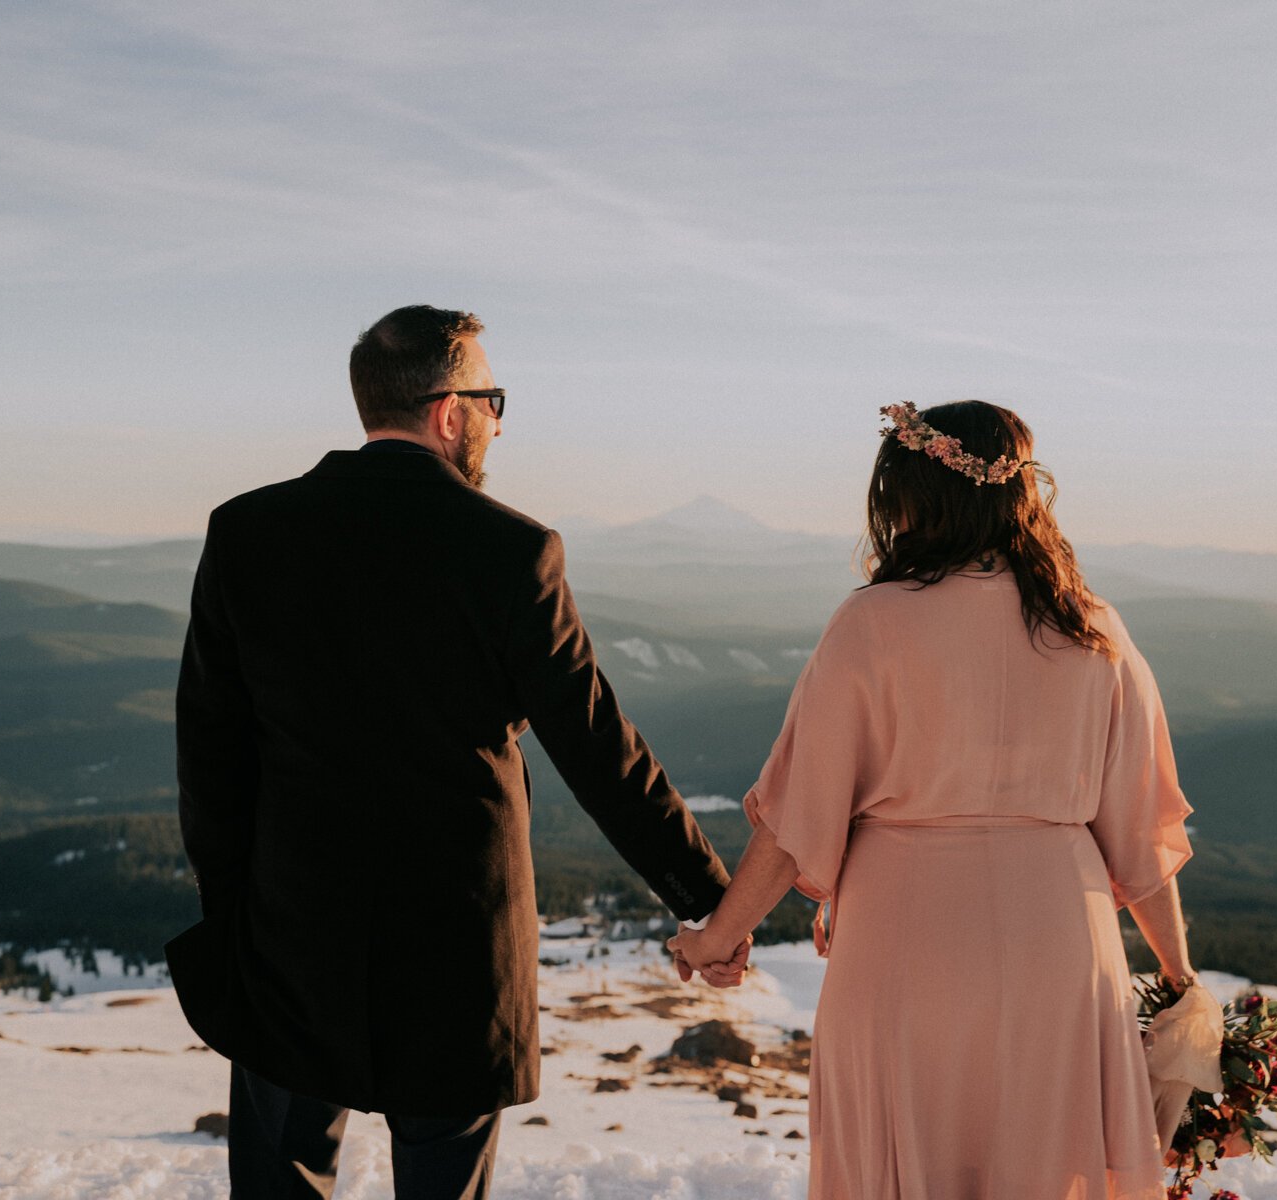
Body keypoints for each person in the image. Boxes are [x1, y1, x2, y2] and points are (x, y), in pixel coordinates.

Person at [164, 304, 745, 1199]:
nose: (498, 421)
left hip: (289, 940)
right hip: (458, 954)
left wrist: (238, 912)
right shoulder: (512, 553)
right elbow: (600, 753)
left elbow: (210, 751)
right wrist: (713, 900)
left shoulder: (247, 532)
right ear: (448, 411)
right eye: (493, 398)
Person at [670, 400, 1196, 1200]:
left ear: (914, 498)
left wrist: (719, 939)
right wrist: (1178, 973)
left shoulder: (870, 623)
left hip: (902, 946)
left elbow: (797, 821)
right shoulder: (1094, 630)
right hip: (1060, 944)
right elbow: (1139, 839)